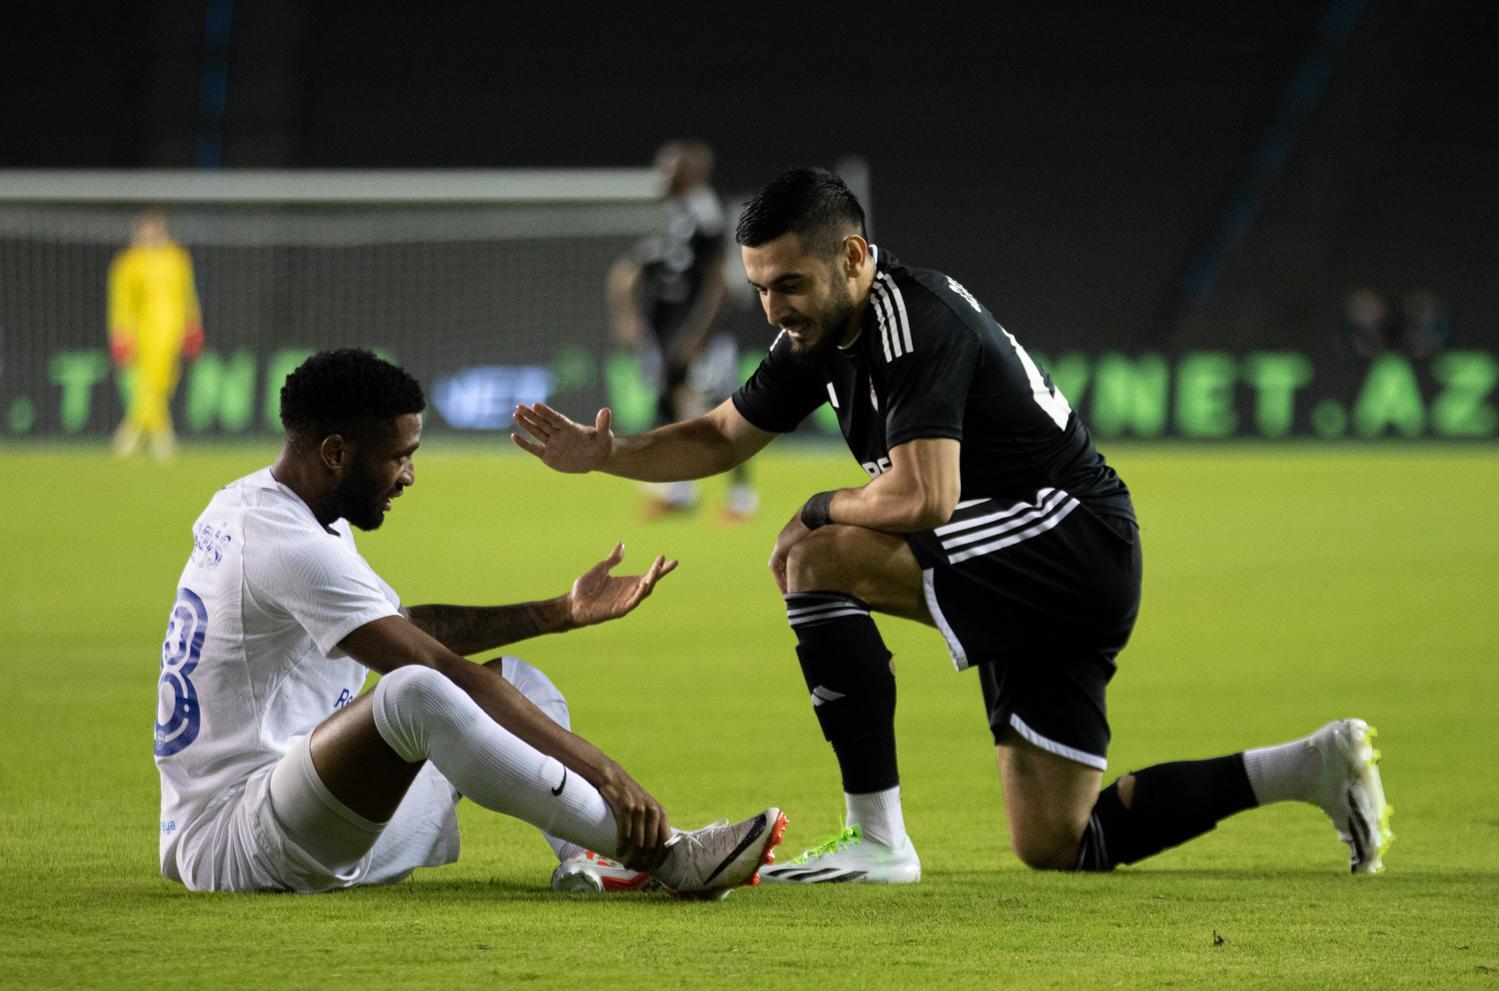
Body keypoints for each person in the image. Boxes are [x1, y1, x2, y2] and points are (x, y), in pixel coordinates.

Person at [513, 168, 1392, 882]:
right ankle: (1308, 767)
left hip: (1063, 540)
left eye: (789, 284)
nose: (773, 308)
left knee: (810, 555)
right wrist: (607, 453)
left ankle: (878, 840)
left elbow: (924, 500)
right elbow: (720, 435)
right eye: (761, 288)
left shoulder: (912, 322)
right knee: (1058, 842)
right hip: (1034, 555)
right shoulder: (818, 332)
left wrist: (819, 506)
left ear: (852, 256)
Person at [154, 348, 785, 896]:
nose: (409, 475)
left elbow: (404, 626)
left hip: (322, 813)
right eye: (399, 457)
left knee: (518, 681)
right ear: (336, 452)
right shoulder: (288, 544)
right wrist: (608, 774)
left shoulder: (275, 509)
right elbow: (431, 666)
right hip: (238, 840)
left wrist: (560, 612)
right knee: (416, 691)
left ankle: (597, 856)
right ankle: (670, 857)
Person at [606, 139, 758, 521]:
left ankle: (742, 499)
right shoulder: (679, 213)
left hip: (704, 333)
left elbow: (718, 282)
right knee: (675, 408)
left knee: (725, 410)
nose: (662, 174)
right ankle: (680, 493)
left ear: (691, 172)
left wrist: (697, 334)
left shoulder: (706, 213)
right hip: (676, 330)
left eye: (670, 167)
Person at [107, 210, 204, 460]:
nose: (149, 236)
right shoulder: (128, 262)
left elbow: (188, 294)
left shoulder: (177, 258)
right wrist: (119, 331)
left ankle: (134, 431)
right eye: (145, 232)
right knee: (150, 382)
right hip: (142, 329)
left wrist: (193, 324)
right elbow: (120, 300)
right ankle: (158, 436)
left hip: (173, 328)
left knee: (162, 381)